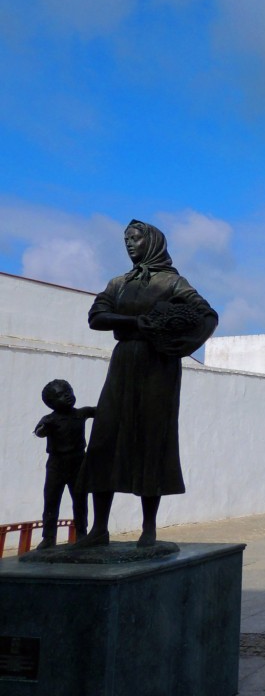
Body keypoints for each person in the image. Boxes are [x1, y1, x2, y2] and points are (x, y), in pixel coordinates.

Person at [76, 220, 218, 548]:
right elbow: (96, 317)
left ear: (151, 242)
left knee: (153, 438)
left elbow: (205, 315)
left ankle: (149, 528)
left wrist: (178, 344)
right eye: (126, 239)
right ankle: (100, 528)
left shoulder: (173, 283)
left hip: (158, 364)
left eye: (135, 238)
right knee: (105, 439)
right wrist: (135, 321)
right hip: (123, 361)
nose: (129, 244)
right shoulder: (118, 283)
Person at [33, 379, 95, 549]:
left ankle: (82, 533)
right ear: (51, 403)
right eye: (60, 394)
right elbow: (39, 431)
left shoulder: (81, 413)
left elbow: (101, 411)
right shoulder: (50, 419)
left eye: (69, 391)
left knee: (80, 500)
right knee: (51, 500)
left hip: (78, 462)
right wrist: (43, 429)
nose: (67, 396)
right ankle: (49, 537)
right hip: (56, 464)